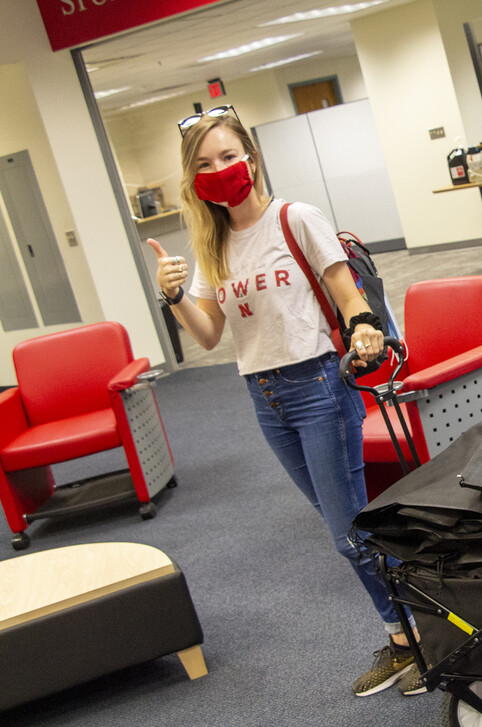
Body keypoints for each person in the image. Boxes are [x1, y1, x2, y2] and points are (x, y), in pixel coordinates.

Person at [148, 108, 423, 697]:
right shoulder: (213, 244)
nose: (219, 170)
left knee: (348, 534)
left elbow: (347, 294)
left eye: (227, 156)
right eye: (204, 165)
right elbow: (207, 335)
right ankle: (411, 634)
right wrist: (173, 295)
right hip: (265, 398)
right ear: (192, 179)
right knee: (346, 529)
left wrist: (365, 329)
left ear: (249, 154)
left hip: (320, 386)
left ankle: (416, 638)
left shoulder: (294, 218)